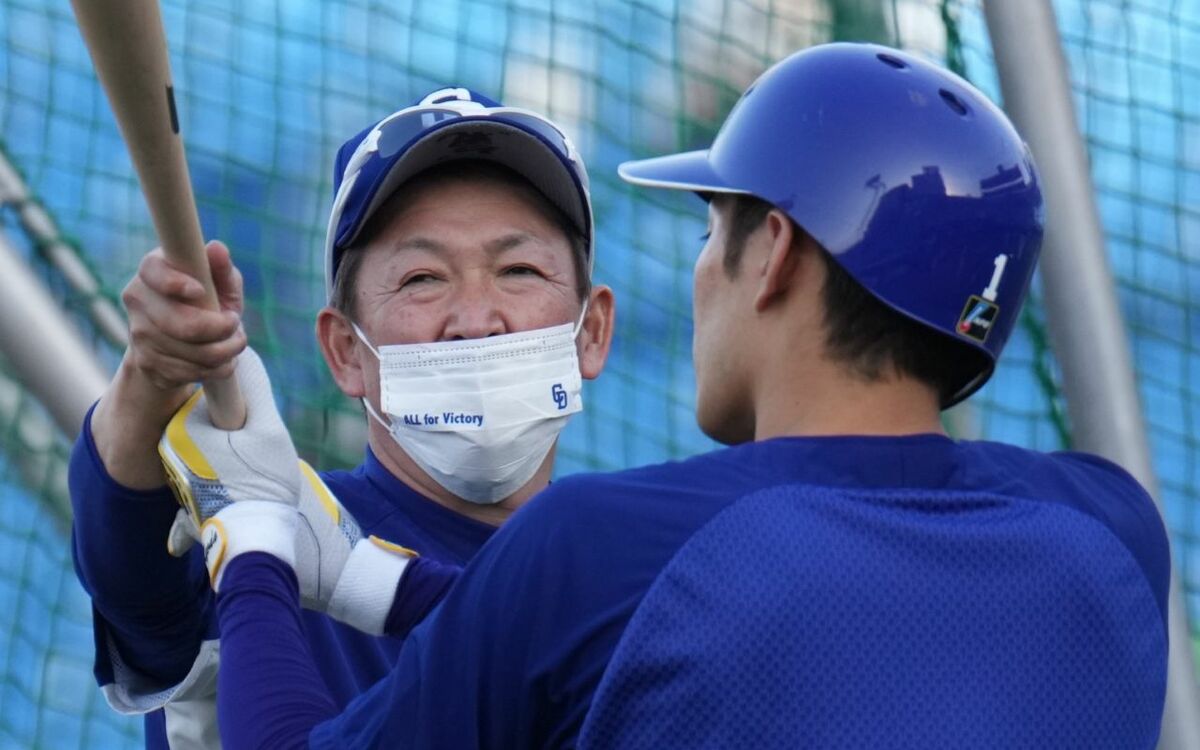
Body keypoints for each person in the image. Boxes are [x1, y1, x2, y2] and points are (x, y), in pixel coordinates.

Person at [180, 43, 1169, 749]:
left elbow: (585, 613)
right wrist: (365, 580)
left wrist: (257, 550)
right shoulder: (1112, 526)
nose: (701, 272)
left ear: (774, 253)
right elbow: (609, 626)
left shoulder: (603, 545)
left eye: (712, 231)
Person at [68, 88, 614, 748]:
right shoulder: (267, 538)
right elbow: (130, 565)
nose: (475, 321)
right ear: (345, 350)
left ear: (593, 331)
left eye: (519, 270)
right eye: (422, 279)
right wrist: (152, 374)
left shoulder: (636, 570)